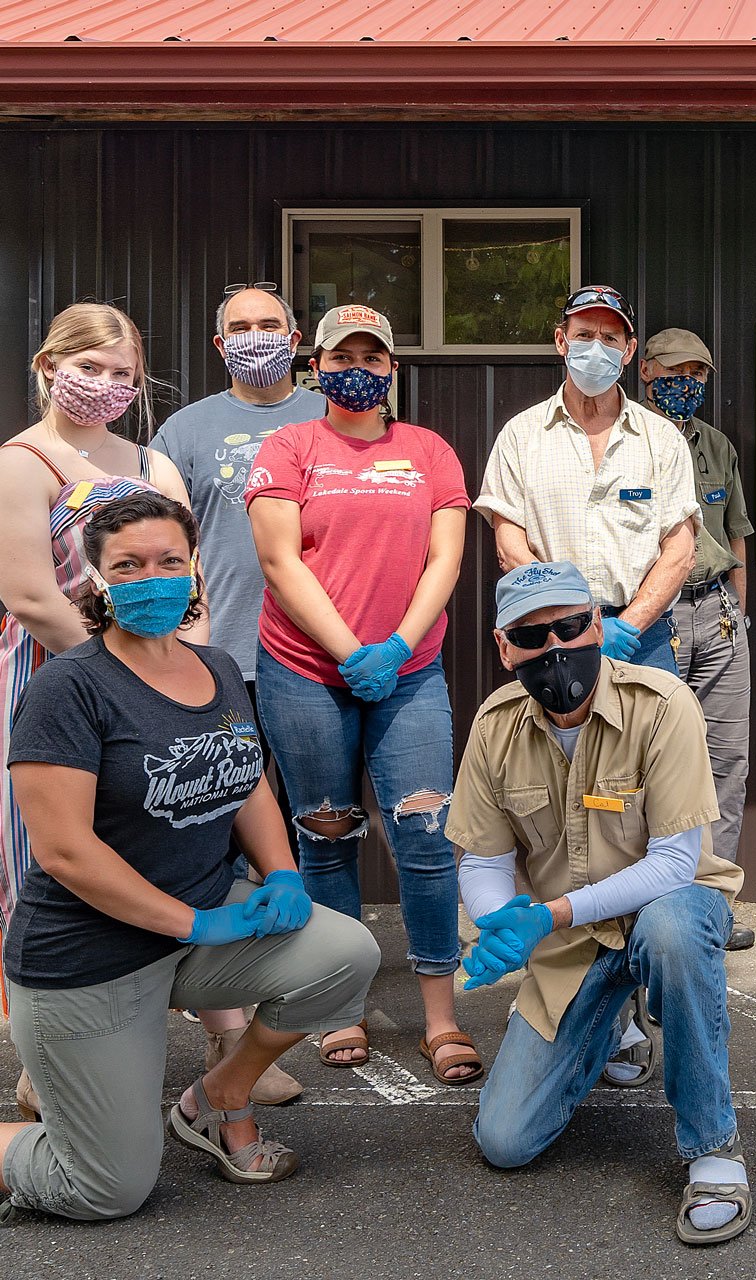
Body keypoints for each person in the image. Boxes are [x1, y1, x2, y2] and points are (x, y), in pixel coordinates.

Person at [0, 491, 379, 1222]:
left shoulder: (216, 667)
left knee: (345, 954)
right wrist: (195, 925)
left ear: (194, 567)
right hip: (89, 956)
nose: (154, 577)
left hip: (197, 929)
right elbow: (64, 851)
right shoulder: (67, 689)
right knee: (104, 1189)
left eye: (170, 560)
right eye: (130, 565)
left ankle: (220, 1095)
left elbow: (247, 786)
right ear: (97, 581)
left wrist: (286, 873)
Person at [447, 561, 751, 1246]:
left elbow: (675, 860)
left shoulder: (663, 702)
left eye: (570, 625)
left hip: (673, 906)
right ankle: (614, 1022)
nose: (555, 648)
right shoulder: (495, 728)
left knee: (671, 934)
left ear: (597, 624)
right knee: (504, 1141)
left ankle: (714, 1150)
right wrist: (499, 920)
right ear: (504, 649)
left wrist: (544, 915)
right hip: (576, 944)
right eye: (532, 636)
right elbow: (487, 861)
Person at [244, 303, 481, 1084]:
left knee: (424, 838)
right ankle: (340, 1004)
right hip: (304, 672)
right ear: (315, 366)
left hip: (408, 674)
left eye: (373, 357)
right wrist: (350, 653)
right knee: (327, 836)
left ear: (392, 370)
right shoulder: (289, 446)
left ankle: (440, 1019)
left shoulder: (429, 452)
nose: (360, 368)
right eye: (342, 355)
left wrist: (397, 648)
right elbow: (280, 562)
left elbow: (444, 563)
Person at [0, 301, 194, 1120]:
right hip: (56, 677)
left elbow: (192, 587)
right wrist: (115, 666)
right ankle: (46, 1052)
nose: (108, 386)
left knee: (166, 837)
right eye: (92, 369)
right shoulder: (22, 462)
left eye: (123, 374)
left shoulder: (154, 459)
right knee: (46, 859)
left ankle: (218, 1035)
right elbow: (27, 592)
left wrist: (191, 668)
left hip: (157, 676)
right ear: (50, 367)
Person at [152, 282, 324, 1106]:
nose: (256, 337)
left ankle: (295, 998)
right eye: (239, 328)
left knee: (300, 833)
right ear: (220, 345)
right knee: (214, 835)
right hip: (221, 662)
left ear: (294, 336)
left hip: (314, 659)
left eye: (269, 324)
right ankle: (226, 1019)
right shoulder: (185, 430)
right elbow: (166, 545)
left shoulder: (336, 414)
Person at [476, 285, 699, 676]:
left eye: (609, 338)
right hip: (551, 634)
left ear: (628, 352)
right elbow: (510, 546)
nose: (597, 347)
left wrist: (627, 624)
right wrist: (575, 621)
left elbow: (679, 553)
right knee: (559, 739)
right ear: (562, 341)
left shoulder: (662, 440)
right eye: (584, 335)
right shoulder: (521, 435)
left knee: (650, 738)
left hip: (642, 640)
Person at [640, 326, 756, 953]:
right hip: (653, 616)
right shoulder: (629, 440)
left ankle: (714, 906)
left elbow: (736, 532)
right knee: (651, 765)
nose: (689, 382)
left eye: (700, 373)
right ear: (648, 373)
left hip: (715, 612)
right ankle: (654, 903)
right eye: (677, 371)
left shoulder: (715, 445)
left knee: (725, 763)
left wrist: (737, 606)